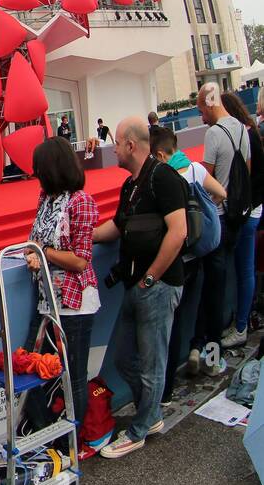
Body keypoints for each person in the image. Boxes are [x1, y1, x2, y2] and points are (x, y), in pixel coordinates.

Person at [92, 117, 186, 458]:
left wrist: (151, 278)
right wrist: (82, 237)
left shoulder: (164, 178)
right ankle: (152, 414)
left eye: (116, 142)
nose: (112, 148)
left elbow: (179, 231)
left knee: (151, 365)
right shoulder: (130, 186)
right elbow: (116, 227)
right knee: (124, 359)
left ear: (131, 145)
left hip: (156, 287)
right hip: (138, 287)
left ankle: (139, 429)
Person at [22, 137, 100, 429]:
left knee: (73, 376)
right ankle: (48, 433)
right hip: (46, 299)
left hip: (75, 302)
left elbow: (81, 260)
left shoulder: (81, 202)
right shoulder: (46, 199)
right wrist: (34, 253)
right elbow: (36, 240)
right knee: (28, 369)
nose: (36, 174)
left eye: (39, 169)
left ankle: (70, 441)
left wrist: (42, 254)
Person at [149, 126, 224, 405]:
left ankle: (166, 391)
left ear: (159, 154)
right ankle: (208, 356)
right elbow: (221, 193)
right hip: (203, 252)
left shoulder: (163, 180)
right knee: (207, 306)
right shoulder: (194, 169)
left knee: (173, 323)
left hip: (178, 261)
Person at [192, 82, 250, 373]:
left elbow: (206, 181)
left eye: (201, 109)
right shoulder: (243, 129)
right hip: (238, 217)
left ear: (210, 103)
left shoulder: (214, 134)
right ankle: (198, 346)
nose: (201, 115)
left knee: (211, 292)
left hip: (217, 219)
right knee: (219, 286)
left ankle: (207, 354)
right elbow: (246, 173)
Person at [220, 92, 263, 349]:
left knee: (244, 269)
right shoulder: (248, 131)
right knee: (243, 269)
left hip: (248, 211)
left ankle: (241, 326)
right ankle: (240, 321)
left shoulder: (244, 135)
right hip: (251, 209)